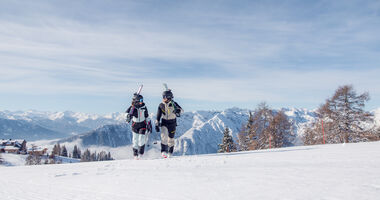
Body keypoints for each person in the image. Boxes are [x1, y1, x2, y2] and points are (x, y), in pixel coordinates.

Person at [155, 89, 183, 158]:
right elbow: (158, 115)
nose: (163, 98)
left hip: (172, 123)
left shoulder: (174, 104)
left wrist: (178, 110)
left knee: (171, 139)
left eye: (165, 97)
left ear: (169, 97)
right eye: (163, 97)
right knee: (164, 137)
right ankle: (163, 151)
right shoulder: (161, 105)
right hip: (164, 122)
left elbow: (181, 111)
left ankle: (170, 152)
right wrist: (157, 123)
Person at [126, 93, 152, 159]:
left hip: (142, 124)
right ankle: (135, 154)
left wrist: (149, 123)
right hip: (135, 125)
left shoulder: (144, 107)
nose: (141, 102)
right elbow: (126, 115)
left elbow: (146, 116)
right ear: (136, 101)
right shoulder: (132, 108)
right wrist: (128, 117)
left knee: (141, 139)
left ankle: (140, 153)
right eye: (140, 100)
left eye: (142, 100)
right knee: (135, 140)